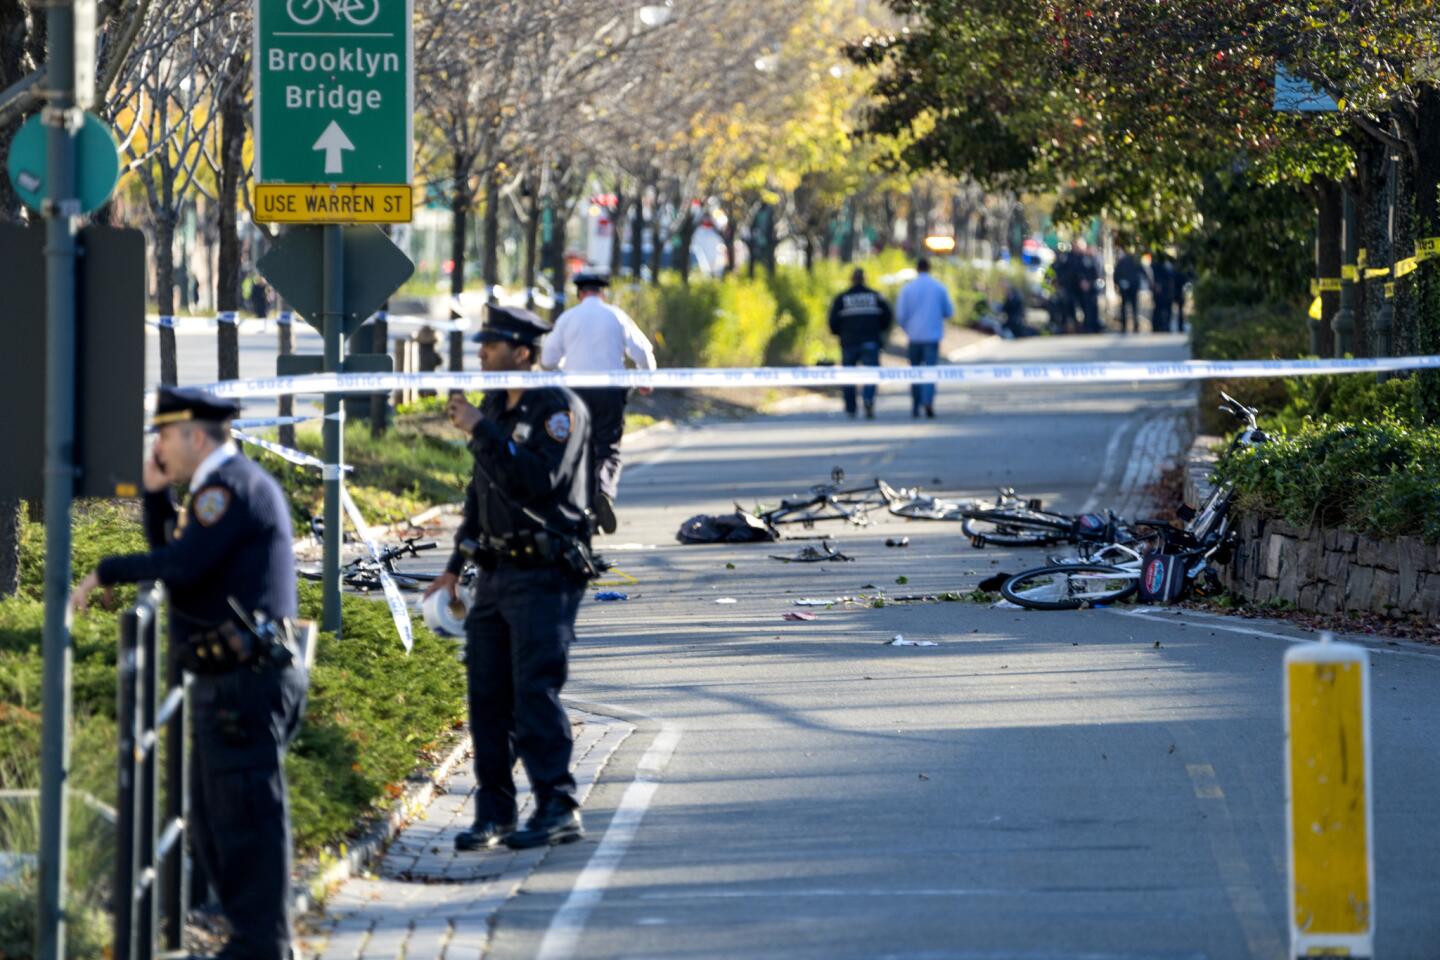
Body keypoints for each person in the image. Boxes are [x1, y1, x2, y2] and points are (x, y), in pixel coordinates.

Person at [70, 386, 307, 960]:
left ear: (193, 437)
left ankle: (263, 945)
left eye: (163, 437)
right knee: (214, 817)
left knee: (247, 819)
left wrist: (102, 572)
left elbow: (180, 564)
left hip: (244, 682)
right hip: (230, 680)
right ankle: (251, 938)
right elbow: (181, 557)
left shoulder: (227, 490)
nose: (157, 447)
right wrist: (156, 496)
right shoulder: (214, 490)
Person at [426, 305, 596, 852]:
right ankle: (494, 813)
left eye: (491, 345)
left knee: (533, 693)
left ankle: (556, 805)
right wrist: (455, 567)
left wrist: (481, 431)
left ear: (522, 352)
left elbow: (535, 481)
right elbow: (483, 496)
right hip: (496, 575)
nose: (480, 354)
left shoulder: (558, 410)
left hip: (545, 572)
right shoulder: (496, 408)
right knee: (487, 697)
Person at [540, 272, 656, 535]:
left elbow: (548, 358)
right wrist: (646, 378)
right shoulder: (616, 315)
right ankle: (603, 491)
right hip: (610, 391)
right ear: (602, 293)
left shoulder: (568, 318)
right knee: (608, 449)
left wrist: (562, 367)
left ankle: (583, 511)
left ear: (580, 294)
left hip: (575, 392)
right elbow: (642, 351)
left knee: (580, 449)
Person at [827, 267, 893, 418]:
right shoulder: (875, 296)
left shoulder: (842, 298)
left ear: (852, 279)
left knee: (848, 376)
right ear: (864, 279)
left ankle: (851, 407)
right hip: (870, 341)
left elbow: (832, 322)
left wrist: (840, 334)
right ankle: (868, 399)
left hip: (849, 342)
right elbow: (887, 316)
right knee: (871, 374)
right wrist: (879, 331)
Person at [895, 257, 953, 418]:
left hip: (914, 337)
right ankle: (927, 400)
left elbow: (900, 315)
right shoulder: (939, 288)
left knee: (915, 372)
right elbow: (948, 311)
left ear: (917, 269)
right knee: (930, 371)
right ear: (929, 268)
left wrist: (907, 328)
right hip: (932, 337)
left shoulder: (907, 289)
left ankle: (915, 404)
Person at [1071, 239, 1103, 334]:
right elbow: (1078, 272)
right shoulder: (1081, 259)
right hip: (1084, 288)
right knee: (1086, 307)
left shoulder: (1095, 258)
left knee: (1094, 307)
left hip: (1093, 287)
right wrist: (1083, 281)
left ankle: (1095, 326)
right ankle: (1088, 326)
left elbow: (1098, 272)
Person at [1113, 248, 1144, 334]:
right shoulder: (1132, 261)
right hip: (1130, 287)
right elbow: (1142, 272)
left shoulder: (1122, 261)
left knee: (1126, 306)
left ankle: (1126, 326)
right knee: (1132, 306)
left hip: (1128, 287)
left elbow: (1116, 275)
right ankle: (1133, 325)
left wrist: (1118, 284)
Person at [1149, 254, 1175, 333]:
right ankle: (1158, 326)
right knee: (1158, 309)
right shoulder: (1157, 264)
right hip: (1161, 291)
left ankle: (1165, 326)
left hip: (1166, 291)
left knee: (1166, 309)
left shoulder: (1168, 264)